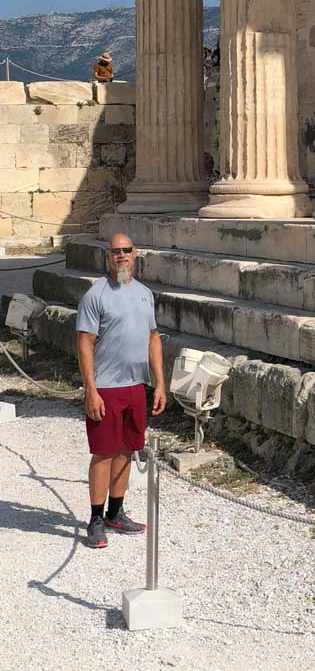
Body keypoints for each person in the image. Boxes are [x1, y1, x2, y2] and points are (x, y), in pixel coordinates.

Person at [76, 233, 167, 549]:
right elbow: (84, 344)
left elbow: (153, 338)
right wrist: (90, 390)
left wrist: (160, 383)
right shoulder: (96, 295)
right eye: (115, 251)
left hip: (135, 385)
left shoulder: (144, 294)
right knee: (104, 451)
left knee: (128, 448)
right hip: (106, 386)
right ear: (108, 255)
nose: (121, 255)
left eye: (126, 250)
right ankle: (95, 519)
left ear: (135, 253)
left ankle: (116, 512)